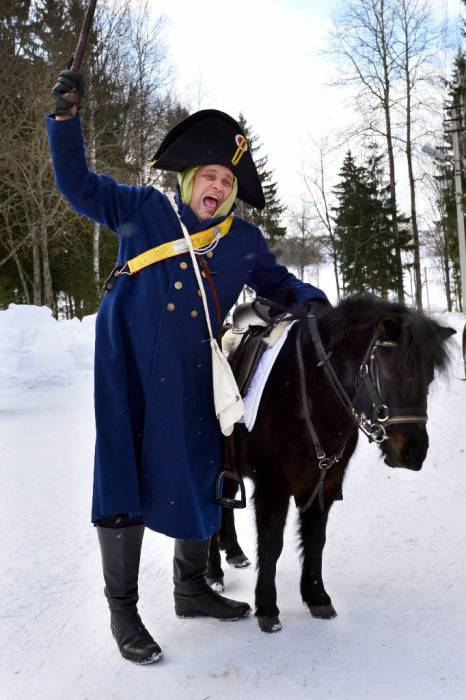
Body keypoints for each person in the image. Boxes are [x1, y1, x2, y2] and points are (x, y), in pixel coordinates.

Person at [45, 69, 329, 665]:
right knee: (122, 471)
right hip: (127, 363)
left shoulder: (242, 240)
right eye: (209, 176)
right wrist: (66, 124)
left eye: (227, 181)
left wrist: (320, 306)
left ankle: (191, 587)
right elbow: (78, 185)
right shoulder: (143, 209)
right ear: (188, 178)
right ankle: (124, 612)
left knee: (205, 467)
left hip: (195, 369)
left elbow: (279, 284)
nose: (217, 187)